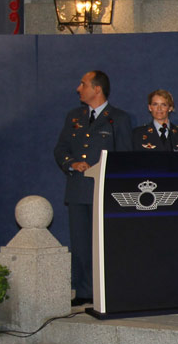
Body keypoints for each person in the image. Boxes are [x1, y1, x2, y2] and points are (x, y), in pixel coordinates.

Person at [53, 70, 133, 306]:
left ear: (97, 89)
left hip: (104, 191)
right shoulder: (73, 117)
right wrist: (71, 163)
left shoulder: (118, 118)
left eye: (83, 84)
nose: (79, 88)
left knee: (107, 244)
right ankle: (85, 290)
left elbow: (125, 156)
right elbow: (60, 149)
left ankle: (110, 289)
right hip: (78, 190)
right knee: (80, 243)